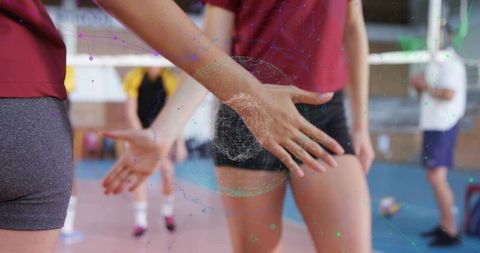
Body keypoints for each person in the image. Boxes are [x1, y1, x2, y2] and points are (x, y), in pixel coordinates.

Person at [0, 1, 341, 252]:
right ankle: (143, 218)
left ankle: (157, 214)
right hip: (30, 114)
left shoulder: (161, 78)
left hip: (319, 110)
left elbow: (351, 32)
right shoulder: (137, 79)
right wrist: (245, 96)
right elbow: (209, 44)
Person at [103, 0, 374, 252]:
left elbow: (353, 28)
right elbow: (211, 48)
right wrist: (164, 130)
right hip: (247, 117)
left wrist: (361, 124)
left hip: (322, 117)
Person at [411, 27, 466, 247]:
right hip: (432, 123)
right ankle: (445, 225)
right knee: (433, 177)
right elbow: (427, 92)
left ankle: (451, 230)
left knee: (436, 177)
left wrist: (425, 86)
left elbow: (448, 93)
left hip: (444, 123)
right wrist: (418, 86)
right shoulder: (434, 63)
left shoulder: (451, 62)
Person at [122, 67, 188, 236]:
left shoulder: (169, 79)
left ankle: (167, 212)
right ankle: (140, 222)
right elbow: (131, 113)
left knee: (168, 172)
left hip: (162, 135)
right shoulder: (134, 76)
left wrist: (180, 144)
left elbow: (175, 114)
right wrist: (143, 139)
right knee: (137, 176)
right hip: (139, 134)